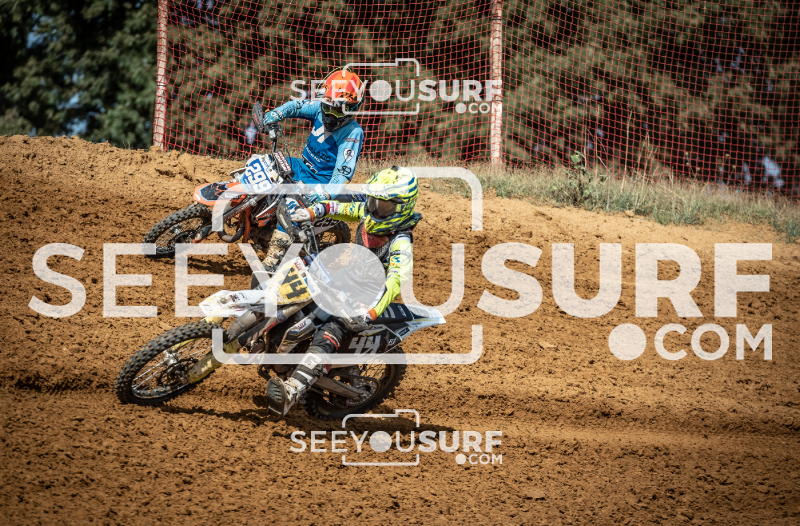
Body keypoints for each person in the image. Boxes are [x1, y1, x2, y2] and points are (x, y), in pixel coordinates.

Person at [265, 166, 422, 418]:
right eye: (372, 201)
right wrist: (311, 212)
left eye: (382, 206)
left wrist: (370, 313)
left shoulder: (401, 242)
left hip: (363, 299)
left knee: (330, 332)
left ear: (402, 207)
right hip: (343, 280)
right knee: (295, 284)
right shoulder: (367, 213)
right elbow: (337, 207)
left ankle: (292, 390)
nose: (374, 210)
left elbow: (396, 281)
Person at [260, 67, 366, 272]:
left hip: (320, 182)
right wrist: (275, 114)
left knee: (291, 208)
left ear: (353, 108)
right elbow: (296, 106)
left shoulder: (353, 132)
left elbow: (343, 173)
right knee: (265, 163)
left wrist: (325, 194)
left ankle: (272, 262)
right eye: (328, 105)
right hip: (301, 167)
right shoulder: (319, 108)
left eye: (339, 109)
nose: (331, 113)